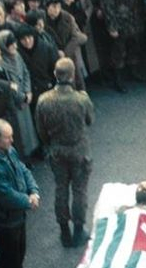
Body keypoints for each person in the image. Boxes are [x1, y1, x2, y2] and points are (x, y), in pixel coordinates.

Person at [35, 57, 95, 247]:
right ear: (72, 75)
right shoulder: (81, 99)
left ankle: (64, 232)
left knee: (61, 189)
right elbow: (90, 120)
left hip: (57, 151)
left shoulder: (44, 100)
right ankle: (79, 229)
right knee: (79, 190)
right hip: (79, 151)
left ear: (55, 74)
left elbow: (41, 130)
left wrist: (51, 144)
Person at [0, 118, 40, 268]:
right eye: (8, 137)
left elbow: (23, 169)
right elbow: (5, 196)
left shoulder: (9, 150)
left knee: (19, 253)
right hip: (5, 220)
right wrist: (28, 201)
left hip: (17, 215)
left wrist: (34, 191)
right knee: (9, 258)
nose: (12, 140)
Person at [100, 0, 144, 92]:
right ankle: (119, 80)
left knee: (133, 47)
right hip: (119, 20)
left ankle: (133, 72)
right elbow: (108, 5)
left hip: (133, 17)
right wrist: (112, 26)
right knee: (119, 51)